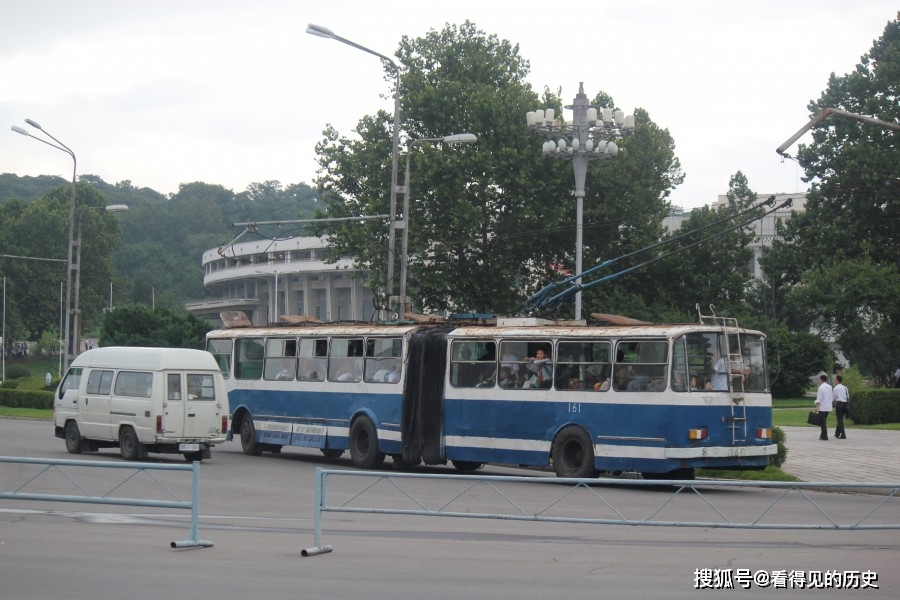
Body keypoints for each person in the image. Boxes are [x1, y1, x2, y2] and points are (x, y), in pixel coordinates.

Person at [814, 374, 833, 440]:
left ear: (821, 379)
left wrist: (816, 408)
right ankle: (822, 435)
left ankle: (825, 436)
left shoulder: (821, 388)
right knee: (824, 421)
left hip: (822, 407)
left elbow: (819, 399)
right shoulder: (830, 387)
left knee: (823, 422)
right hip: (828, 407)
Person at [832, 375, 849, 439]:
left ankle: (843, 434)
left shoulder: (836, 388)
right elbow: (848, 397)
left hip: (839, 405)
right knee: (841, 419)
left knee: (839, 420)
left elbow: (833, 398)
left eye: (835, 380)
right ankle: (837, 433)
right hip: (845, 404)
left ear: (837, 380)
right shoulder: (845, 387)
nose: (834, 381)